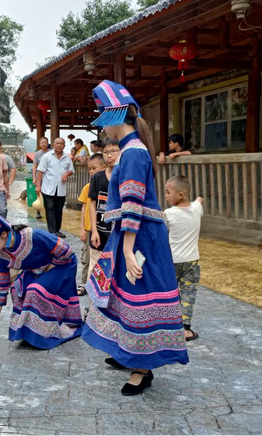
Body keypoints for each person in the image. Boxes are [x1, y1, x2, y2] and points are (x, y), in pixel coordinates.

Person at [82, 80, 188, 396]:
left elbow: (132, 204)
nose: (103, 128)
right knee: (126, 295)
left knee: (140, 294)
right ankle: (129, 352)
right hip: (136, 234)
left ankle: (142, 367)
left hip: (140, 237)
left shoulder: (132, 153)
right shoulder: (134, 150)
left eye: (103, 117)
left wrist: (127, 250)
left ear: (114, 117)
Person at [0, 206, 83, 349]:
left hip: (62, 265)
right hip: (38, 269)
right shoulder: (1, 254)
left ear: (3, 234)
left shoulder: (34, 236)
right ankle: (29, 332)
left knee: (35, 290)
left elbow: (67, 251)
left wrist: (45, 270)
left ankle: (44, 334)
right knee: (17, 288)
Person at [163, 176, 204, 341]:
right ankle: (186, 329)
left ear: (180, 195)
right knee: (189, 294)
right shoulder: (196, 208)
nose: (165, 195)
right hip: (192, 261)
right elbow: (200, 200)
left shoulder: (168, 213)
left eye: (168, 192)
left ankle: (169, 325)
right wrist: (198, 200)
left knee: (170, 293)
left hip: (172, 261)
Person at [88, 138, 119, 285]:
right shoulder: (97, 177)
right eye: (106, 152)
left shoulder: (124, 177)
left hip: (118, 234)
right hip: (99, 233)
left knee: (116, 272)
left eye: (114, 151)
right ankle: (93, 306)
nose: (110, 155)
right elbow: (92, 204)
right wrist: (93, 231)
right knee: (95, 270)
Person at [77, 153, 106, 296]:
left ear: (104, 167)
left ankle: (99, 285)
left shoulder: (107, 186)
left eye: (94, 168)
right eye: (90, 169)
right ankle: (84, 283)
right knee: (86, 259)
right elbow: (84, 208)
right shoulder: (88, 186)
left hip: (101, 229)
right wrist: (82, 228)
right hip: (89, 229)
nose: (92, 171)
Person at [35, 137, 74, 238]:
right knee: (50, 208)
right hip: (48, 188)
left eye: (61, 144)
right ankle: (52, 231)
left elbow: (71, 170)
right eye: (57, 143)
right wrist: (38, 185)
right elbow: (40, 171)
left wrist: (66, 174)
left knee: (59, 209)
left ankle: (57, 230)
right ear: (53, 144)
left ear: (64, 146)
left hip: (61, 189)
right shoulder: (47, 156)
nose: (59, 145)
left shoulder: (67, 158)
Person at [32, 137, 50, 219]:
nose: (44, 144)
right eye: (42, 142)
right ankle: (38, 211)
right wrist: (34, 178)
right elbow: (35, 166)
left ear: (48, 143)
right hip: (39, 177)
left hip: (49, 177)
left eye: (45, 142)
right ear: (39, 144)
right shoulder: (37, 154)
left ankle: (48, 211)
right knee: (39, 193)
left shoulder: (51, 153)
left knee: (49, 194)